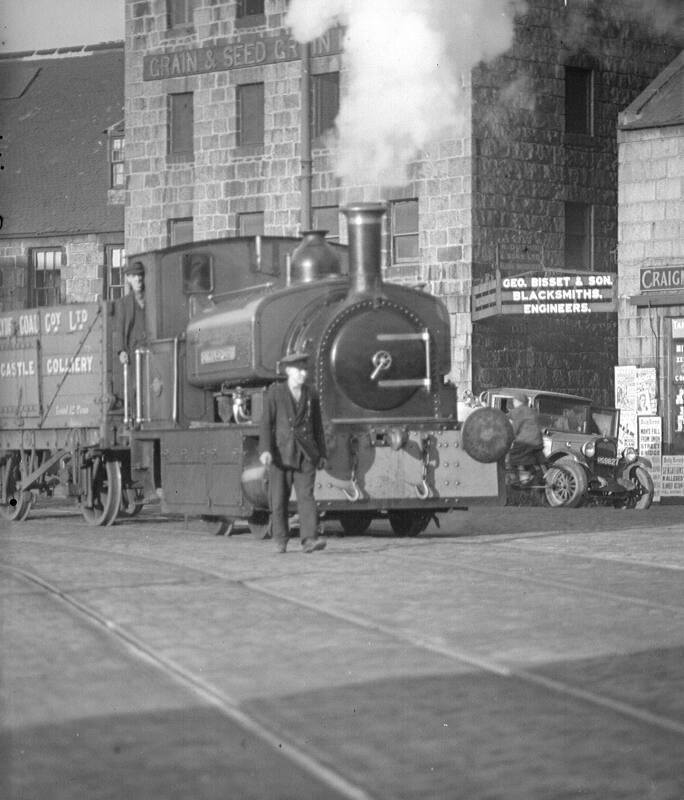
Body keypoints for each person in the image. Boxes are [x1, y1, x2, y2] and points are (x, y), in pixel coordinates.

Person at [259, 351, 327, 554]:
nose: (303, 374)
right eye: (299, 370)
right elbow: (266, 423)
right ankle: (280, 539)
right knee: (279, 499)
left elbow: (317, 426)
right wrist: (265, 450)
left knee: (306, 496)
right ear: (288, 371)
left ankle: (309, 540)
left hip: (305, 453)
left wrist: (321, 453)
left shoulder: (311, 393)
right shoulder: (275, 393)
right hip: (280, 454)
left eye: (305, 370)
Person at [114, 261, 148, 414]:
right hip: (134, 354)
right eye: (134, 276)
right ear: (128, 279)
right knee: (135, 388)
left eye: (140, 275)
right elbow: (119, 330)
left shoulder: (151, 299)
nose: (138, 279)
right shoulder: (124, 304)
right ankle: (135, 417)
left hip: (151, 350)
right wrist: (121, 351)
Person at [507, 390, 545, 484]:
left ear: (518, 401)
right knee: (535, 460)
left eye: (514, 401)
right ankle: (539, 476)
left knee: (512, 458)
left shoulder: (518, 411)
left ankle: (516, 481)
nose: (514, 403)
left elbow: (515, 427)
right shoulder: (532, 411)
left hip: (526, 441)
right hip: (538, 441)